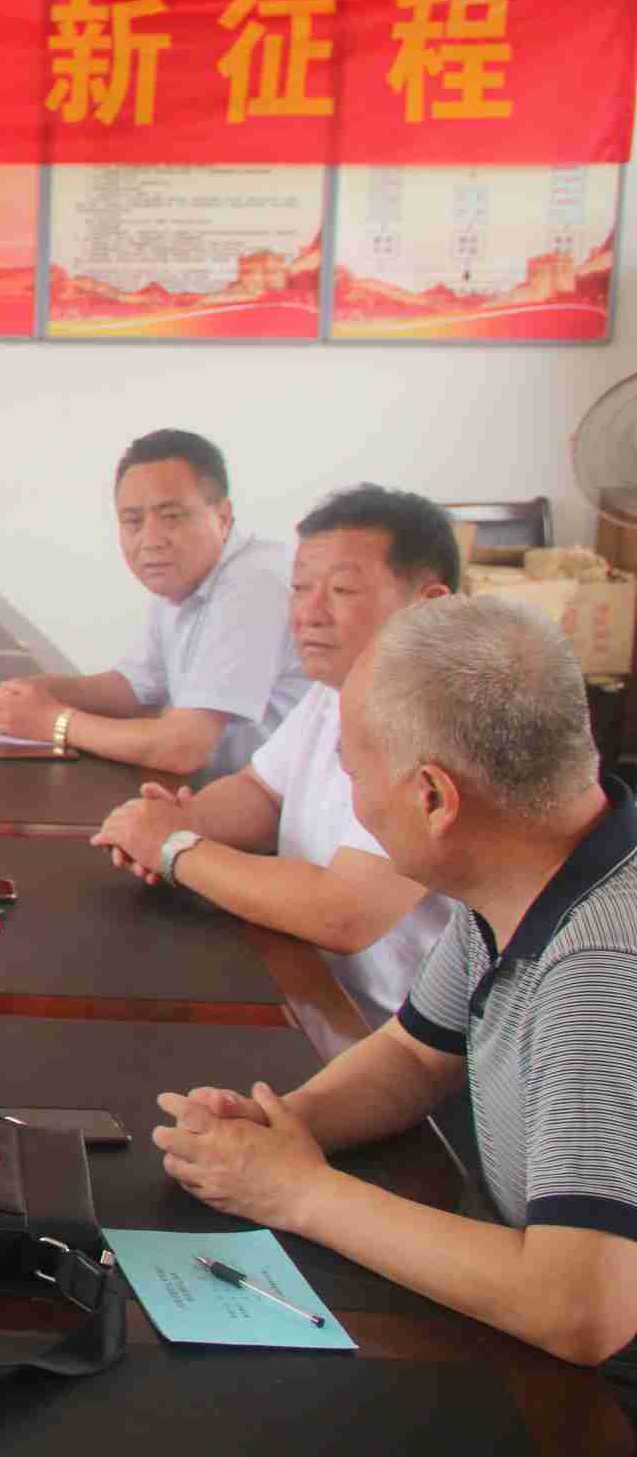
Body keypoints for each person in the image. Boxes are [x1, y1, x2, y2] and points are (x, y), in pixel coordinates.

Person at [154, 599, 637, 1411]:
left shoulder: (602, 969)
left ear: (434, 797)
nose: (351, 801)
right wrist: (284, 1127)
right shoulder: (530, 870)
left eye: (351, 773)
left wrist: (300, 1193)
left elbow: (582, 1309)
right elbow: (415, 1055)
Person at [93, 486, 462, 1035]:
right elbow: (261, 791)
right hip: (304, 979)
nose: (308, 613)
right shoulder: (336, 687)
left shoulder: (442, 723)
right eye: (300, 588)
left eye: (341, 590)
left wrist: (175, 850)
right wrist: (180, 820)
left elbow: (345, 911)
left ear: (428, 606)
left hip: (385, 1038)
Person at [0, 429, 306, 779]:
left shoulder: (253, 583)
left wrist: (54, 721)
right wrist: (37, 691)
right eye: (133, 521)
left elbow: (184, 748)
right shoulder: (183, 575)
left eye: (171, 517)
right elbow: (135, 688)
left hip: (268, 808)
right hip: (214, 792)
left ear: (223, 517)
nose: (151, 540)